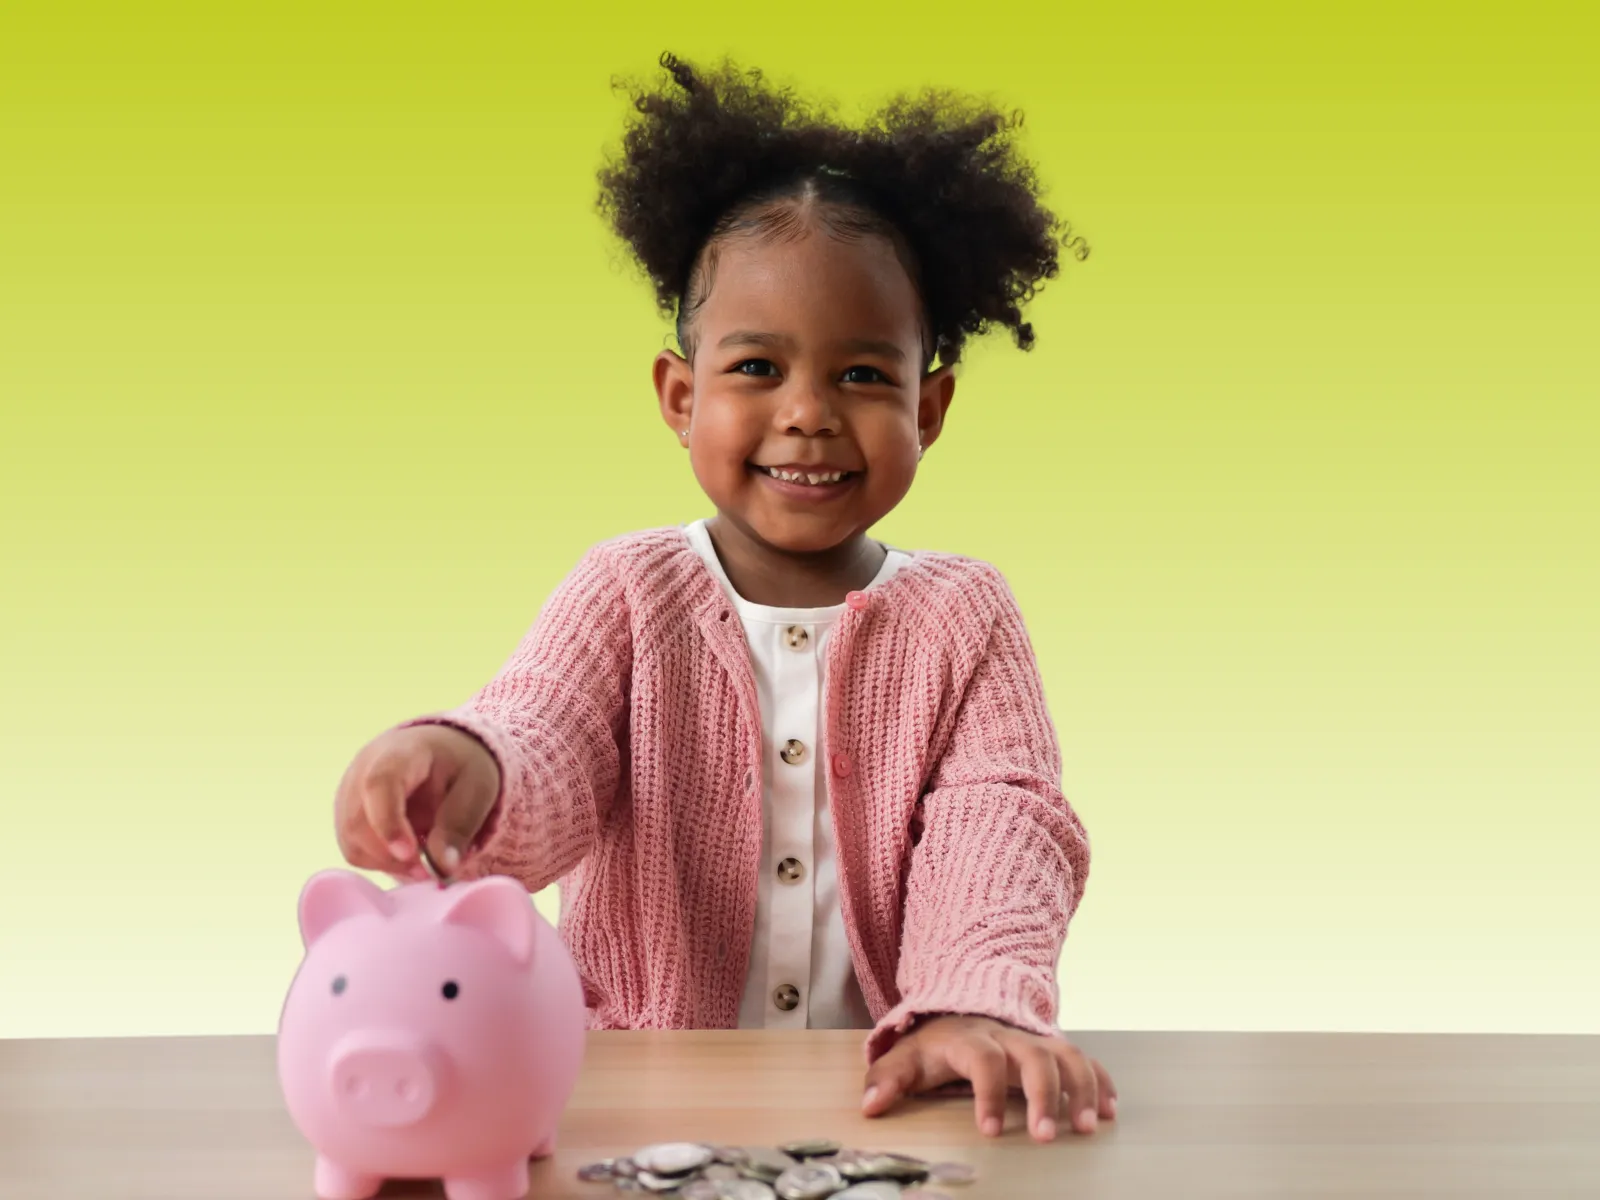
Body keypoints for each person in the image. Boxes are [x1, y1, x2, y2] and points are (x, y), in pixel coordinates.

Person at [332, 51, 1116, 1143]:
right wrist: (472, 765)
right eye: (757, 369)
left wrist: (975, 999)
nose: (807, 415)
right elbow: (545, 729)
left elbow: (1002, 820)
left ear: (929, 408)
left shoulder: (964, 615)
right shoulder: (628, 588)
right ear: (678, 392)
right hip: (630, 1102)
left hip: (890, 1102)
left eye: (861, 375)